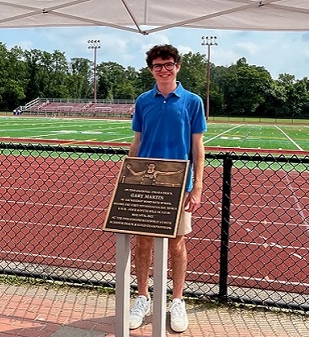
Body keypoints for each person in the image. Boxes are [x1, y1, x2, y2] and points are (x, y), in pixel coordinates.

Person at [127, 44, 207, 333]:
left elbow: (197, 147)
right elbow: (137, 141)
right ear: (151, 69)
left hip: (178, 182)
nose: (164, 69)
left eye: (168, 64)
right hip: (146, 182)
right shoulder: (143, 101)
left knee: (176, 244)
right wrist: (128, 177)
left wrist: (197, 186)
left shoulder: (192, 101)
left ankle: (177, 300)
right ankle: (142, 297)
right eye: (158, 65)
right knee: (143, 242)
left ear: (178, 66)